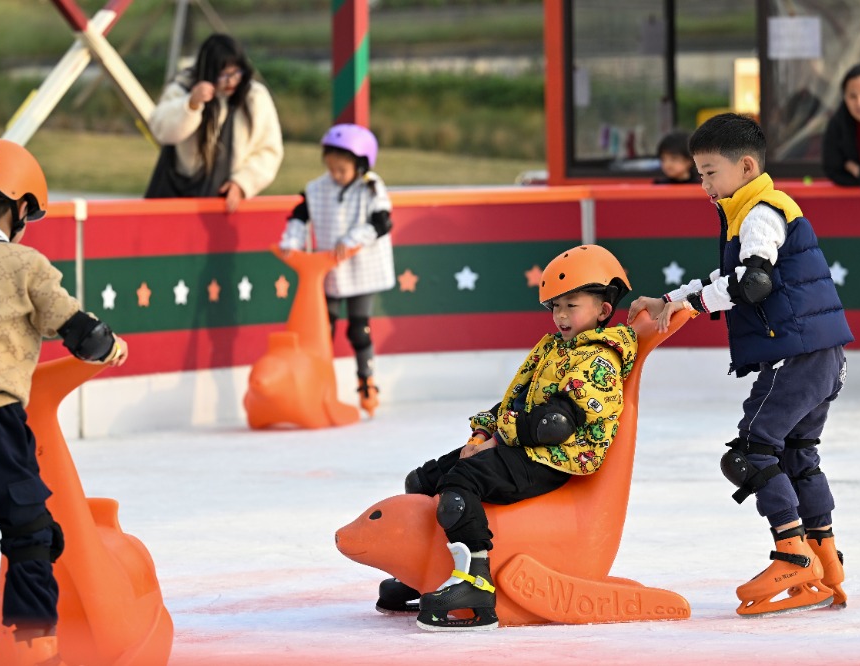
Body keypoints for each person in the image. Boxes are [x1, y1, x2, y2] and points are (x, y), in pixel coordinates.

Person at [629, 113, 852, 617]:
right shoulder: (752, 210)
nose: (701, 183)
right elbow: (728, 275)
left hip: (796, 355)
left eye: (709, 172)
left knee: (751, 452)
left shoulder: (760, 215)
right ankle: (825, 560)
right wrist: (670, 298)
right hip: (823, 353)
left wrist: (694, 305)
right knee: (796, 453)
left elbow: (753, 284)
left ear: (745, 166)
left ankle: (792, 553)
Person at [374, 244, 636, 631]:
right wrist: (481, 432)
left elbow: (555, 426)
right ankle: (425, 571)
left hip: (556, 459)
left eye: (572, 305)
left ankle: (475, 584)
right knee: (422, 481)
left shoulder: (598, 358)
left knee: (460, 483)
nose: (561, 315)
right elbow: (515, 400)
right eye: (555, 306)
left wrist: (497, 441)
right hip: (523, 444)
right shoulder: (552, 348)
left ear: (603, 308)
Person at [0, 138, 129, 664]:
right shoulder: (23, 263)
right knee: (31, 531)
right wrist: (110, 348)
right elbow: (79, 330)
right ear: (18, 209)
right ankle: (33, 643)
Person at [278, 124, 395, 415]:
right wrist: (290, 242)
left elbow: (381, 222)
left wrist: (353, 239)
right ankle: (318, 384)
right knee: (323, 329)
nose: (336, 175)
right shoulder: (318, 188)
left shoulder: (371, 187)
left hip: (360, 268)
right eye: (331, 168)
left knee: (359, 328)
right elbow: (298, 216)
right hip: (328, 270)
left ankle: (366, 381)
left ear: (360, 164)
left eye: (342, 170)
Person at [146, 33, 283, 212]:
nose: (231, 81)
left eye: (236, 73)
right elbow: (162, 131)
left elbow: (269, 150)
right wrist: (191, 105)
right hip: (176, 195)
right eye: (223, 75)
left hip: (226, 201)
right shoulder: (181, 88)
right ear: (208, 72)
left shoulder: (254, 97)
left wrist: (242, 183)